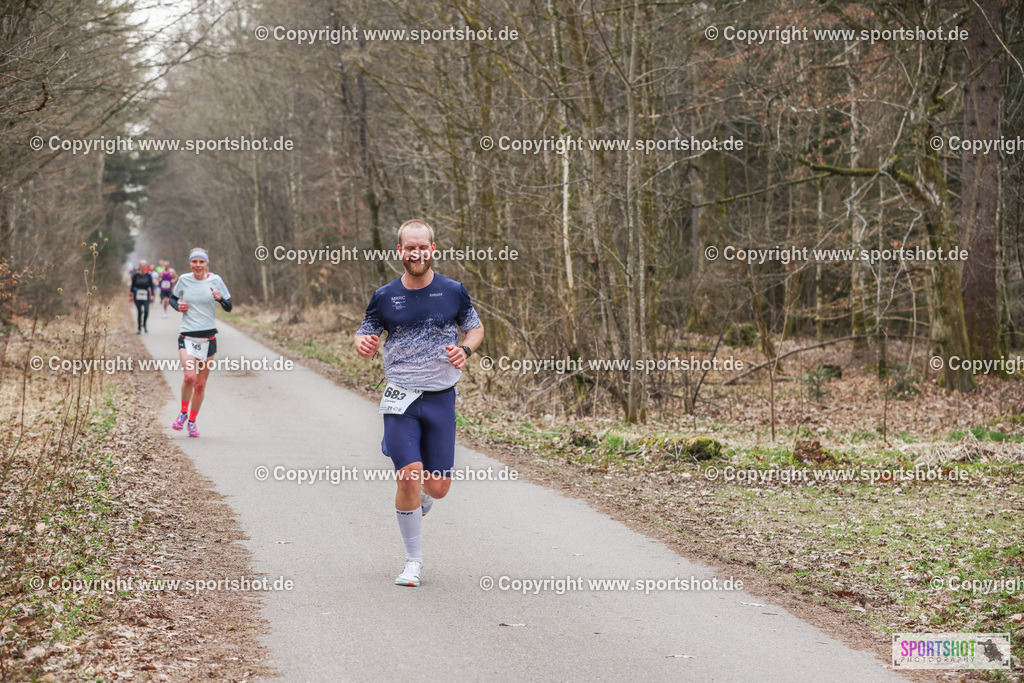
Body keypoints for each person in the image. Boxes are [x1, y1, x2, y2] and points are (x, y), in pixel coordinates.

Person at [354, 219, 484, 587]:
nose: (416, 253)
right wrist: (362, 342)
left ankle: (424, 498)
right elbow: (366, 332)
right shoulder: (384, 296)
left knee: (438, 487)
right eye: (409, 247)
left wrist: (465, 349)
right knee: (409, 475)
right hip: (401, 397)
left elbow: (475, 327)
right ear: (400, 251)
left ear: (433, 249)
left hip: (442, 397)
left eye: (422, 247)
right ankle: (413, 561)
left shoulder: (452, 290)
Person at [168, 248, 232, 438]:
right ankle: (182, 413)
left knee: (200, 385)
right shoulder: (184, 280)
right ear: (190, 264)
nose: (197, 265)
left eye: (201, 262)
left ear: (206, 264)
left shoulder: (216, 281)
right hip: (187, 336)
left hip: (208, 337)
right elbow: (172, 298)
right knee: (189, 377)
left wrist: (220, 299)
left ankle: (193, 422)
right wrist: (178, 306)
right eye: (194, 262)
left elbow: (229, 306)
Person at [129, 260, 155, 334]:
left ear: (146, 267)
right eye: (141, 266)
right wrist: (130, 295)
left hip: (145, 295)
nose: (143, 268)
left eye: (144, 266)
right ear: (139, 267)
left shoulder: (148, 276)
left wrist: (152, 295)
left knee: (146, 311)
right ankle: (139, 328)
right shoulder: (136, 276)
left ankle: (144, 324)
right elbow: (132, 286)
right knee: (139, 311)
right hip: (137, 295)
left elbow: (151, 286)